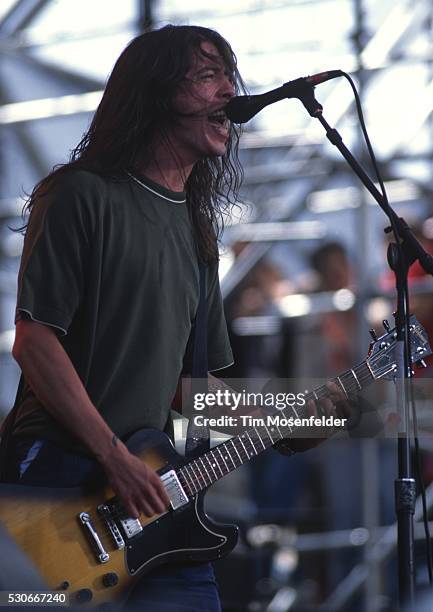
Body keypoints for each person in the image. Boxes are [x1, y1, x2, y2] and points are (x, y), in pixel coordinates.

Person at [0, 25, 347, 611]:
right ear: (156, 93)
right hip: (59, 482)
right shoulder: (82, 195)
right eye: (207, 75)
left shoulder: (197, 230)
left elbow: (194, 390)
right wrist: (113, 454)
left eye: (229, 77)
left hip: (154, 504)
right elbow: (34, 342)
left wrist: (290, 422)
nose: (227, 92)